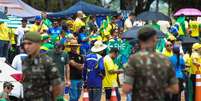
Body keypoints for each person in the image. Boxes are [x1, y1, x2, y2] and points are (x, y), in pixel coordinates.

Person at [122, 27, 179, 101]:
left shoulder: (133, 60)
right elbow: (175, 88)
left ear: (139, 40)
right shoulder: (165, 59)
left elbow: (126, 88)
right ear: (155, 39)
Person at [22, 32, 62, 101]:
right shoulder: (26, 61)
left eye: (29, 43)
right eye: (25, 44)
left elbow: (56, 86)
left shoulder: (46, 61)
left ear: (38, 44)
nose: (26, 47)